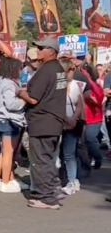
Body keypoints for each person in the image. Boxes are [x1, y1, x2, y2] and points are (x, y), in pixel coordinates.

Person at [17, 37, 66, 210]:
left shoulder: (46, 70)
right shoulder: (58, 68)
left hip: (42, 121)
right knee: (48, 160)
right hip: (53, 121)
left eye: (41, 47)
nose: (38, 50)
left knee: (40, 161)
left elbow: (34, 98)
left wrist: (21, 93)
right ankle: (52, 191)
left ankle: (46, 198)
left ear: (51, 51)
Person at [0, 58, 27, 193]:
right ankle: (5, 183)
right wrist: (23, 100)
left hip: (0, 118)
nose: (21, 71)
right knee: (8, 152)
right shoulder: (9, 85)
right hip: (9, 119)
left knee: (4, 152)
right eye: (20, 68)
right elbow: (11, 104)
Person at [58, 58, 84, 196]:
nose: (74, 72)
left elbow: (80, 104)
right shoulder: (57, 85)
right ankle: (57, 179)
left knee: (69, 154)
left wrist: (74, 118)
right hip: (58, 121)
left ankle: (72, 180)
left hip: (72, 123)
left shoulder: (75, 85)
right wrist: (64, 119)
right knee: (56, 153)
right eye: (71, 70)